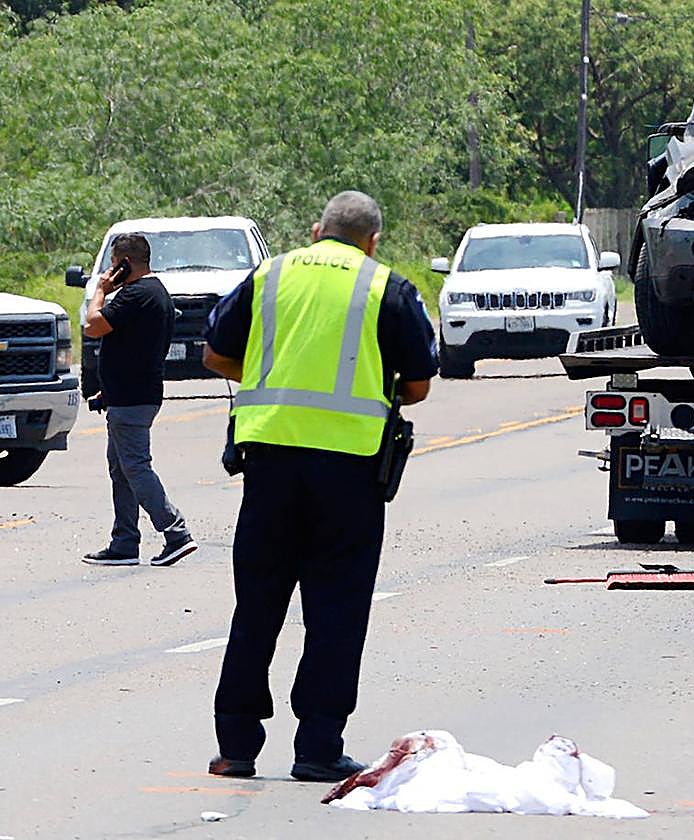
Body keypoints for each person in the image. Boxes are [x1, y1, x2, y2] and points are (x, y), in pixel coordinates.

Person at [202, 191, 438, 781]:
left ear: (316, 231)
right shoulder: (387, 286)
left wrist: (271, 376)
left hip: (269, 466)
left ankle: (235, 747)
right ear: (372, 240)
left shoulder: (268, 275)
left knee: (256, 605)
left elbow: (216, 355)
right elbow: (417, 386)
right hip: (349, 473)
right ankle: (317, 747)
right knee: (336, 612)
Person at [81, 233, 198, 568]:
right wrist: (111, 388)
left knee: (135, 466)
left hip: (133, 399)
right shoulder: (152, 292)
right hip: (130, 393)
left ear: (124, 263)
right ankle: (125, 543)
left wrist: (101, 291)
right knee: (121, 468)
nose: (109, 270)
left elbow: (93, 325)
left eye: (113, 264)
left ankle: (176, 533)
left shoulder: (137, 294)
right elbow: (135, 348)